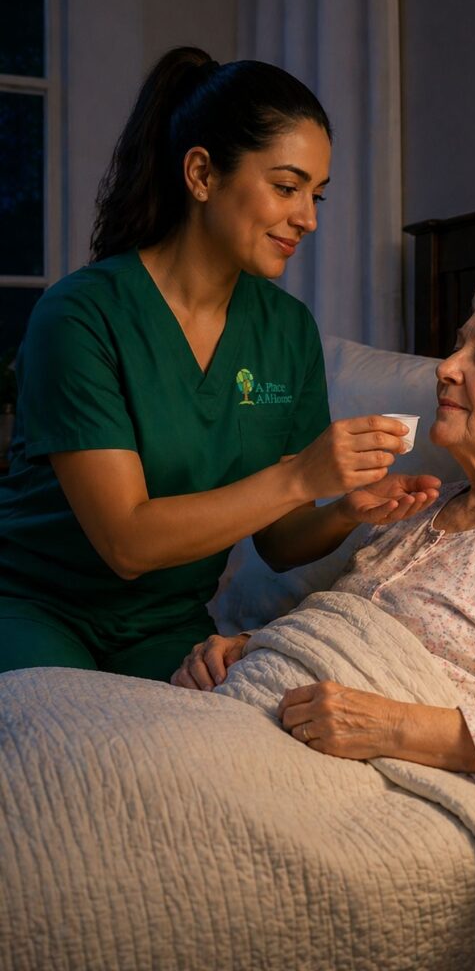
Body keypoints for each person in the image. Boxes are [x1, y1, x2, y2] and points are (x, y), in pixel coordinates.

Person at [0, 47, 440, 682]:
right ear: (202, 174)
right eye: (286, 187)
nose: (308, 218)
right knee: (63, 736)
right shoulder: (79, 316)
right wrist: (298, 477)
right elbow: (127, 542)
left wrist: (345, 508)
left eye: (317, 195)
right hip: (34, 607)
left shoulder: (286, 331)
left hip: (167, 625)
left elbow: (279, 540)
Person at [173, 265, 475, 794]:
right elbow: (342, 640)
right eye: (458, 346)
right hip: (245, 704)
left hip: (344, 774)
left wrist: (391, 726)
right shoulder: (422, 503)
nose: (447, 367)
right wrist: (246, 647)